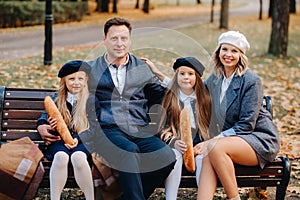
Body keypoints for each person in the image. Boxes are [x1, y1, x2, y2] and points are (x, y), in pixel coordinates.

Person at [146, 31, 280, 200]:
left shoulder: (251, 80)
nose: (228, 55)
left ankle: (234, 198)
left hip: (257, 139)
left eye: (234, 51)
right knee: (209, 153)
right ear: (218, 52)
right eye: (225, 49)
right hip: (227, 143)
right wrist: (160, 75)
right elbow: (190, 89)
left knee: (214, 147)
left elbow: (247, 125)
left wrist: (210, 141)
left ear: (241, 55)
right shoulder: (216, 79)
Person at [143, 56, 212, 199]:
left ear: (197, 77)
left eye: (190, 74)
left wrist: (203, 144)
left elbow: (210, 126)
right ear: (176, 76)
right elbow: (161, 128)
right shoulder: (170, 97)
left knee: (202, 160)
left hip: (200, 142)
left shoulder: (204, 98)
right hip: (177, 142)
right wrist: (173, 141)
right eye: (182, 74)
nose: (186, 77)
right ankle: (171, 197)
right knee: (174, 156)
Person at [37, 60, 98, 200]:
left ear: (86, 80)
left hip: (84, 140)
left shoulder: (91, 99)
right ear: (64, 81)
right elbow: (43, 118)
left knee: (78, 157)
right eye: (71, 79)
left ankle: (90, 197)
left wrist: (78, 139)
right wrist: (47, 125)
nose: (76, 82)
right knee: (60, 157)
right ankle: (55, 198)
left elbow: (95, 128)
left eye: (80, 78)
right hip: (59, 141)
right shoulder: (57, 98)